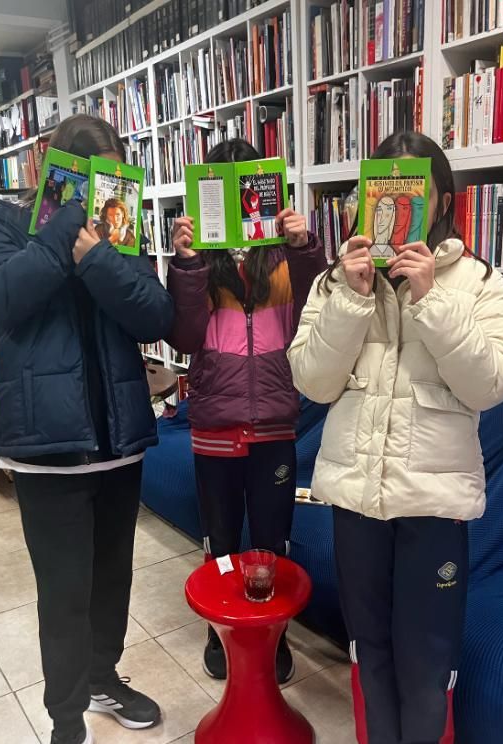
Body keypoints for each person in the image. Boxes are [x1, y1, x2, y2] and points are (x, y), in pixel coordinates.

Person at [288, 131, 503, 744]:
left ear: (440, 200)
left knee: (428, 639)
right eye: (379, 198)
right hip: (355, 493)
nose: (391, 214)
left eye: (410, 196)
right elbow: (311, 380)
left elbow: (494, 385)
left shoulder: (475, 280)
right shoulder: (335, 280)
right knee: (368, 634)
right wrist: (350, 298)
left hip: (434, 495)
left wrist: (430, 300)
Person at [0, 113, 174, 744]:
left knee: (113, 578)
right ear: (49, 168)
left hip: (118, 443)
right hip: (47, 453)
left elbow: (155, 314)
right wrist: (63, 232)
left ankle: (102, 677)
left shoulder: (115, 235)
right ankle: (65, 729)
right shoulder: (5, 222)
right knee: (61, 598)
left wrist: (97, 255)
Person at [168, 138, 327, 683]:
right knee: (221, 538)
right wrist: (186, 266)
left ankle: (271, 634)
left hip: (276, 422)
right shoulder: (200, 264)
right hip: (215, 421)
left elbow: (321, 315)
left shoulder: (283, 257)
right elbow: (186, 337)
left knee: (272, 539)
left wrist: (305, 248)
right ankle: (221, 632)